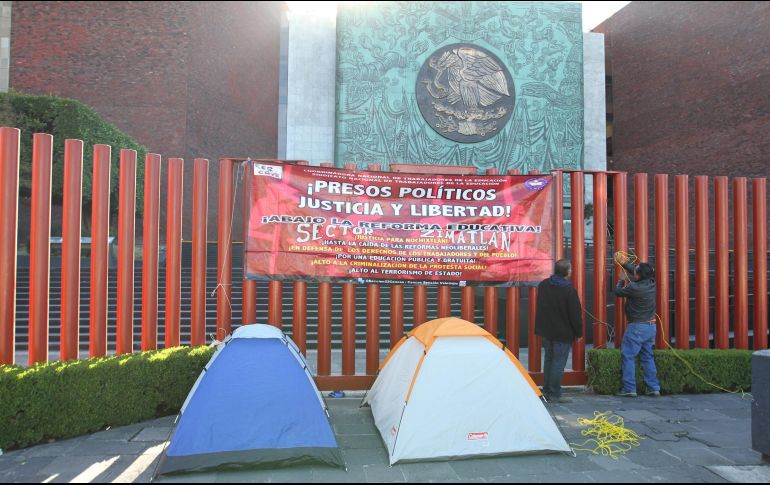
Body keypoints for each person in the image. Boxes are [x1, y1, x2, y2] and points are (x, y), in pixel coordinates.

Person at [534, 259, 583, 403]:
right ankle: (554, 393)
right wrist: (579, 333)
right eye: (571, 269)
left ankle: (547, 390)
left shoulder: (543, 285)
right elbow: (575, 314)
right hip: (562, 332)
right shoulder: (569, 290)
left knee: (549, 360)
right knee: (558, 363)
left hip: (546, 330)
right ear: (567, 272)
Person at [613, 253, 661, 398]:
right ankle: (653, 388)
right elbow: (637, 271)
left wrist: (621, 280)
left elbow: (618, 292)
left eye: (636, 271)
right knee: (647, 357)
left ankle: (629, 388)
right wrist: (624, 264)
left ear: (638, 275)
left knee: (628, 356)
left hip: (637, 328)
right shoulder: (652, 282)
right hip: (651, 327)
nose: (633, 271)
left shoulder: (634, 288)